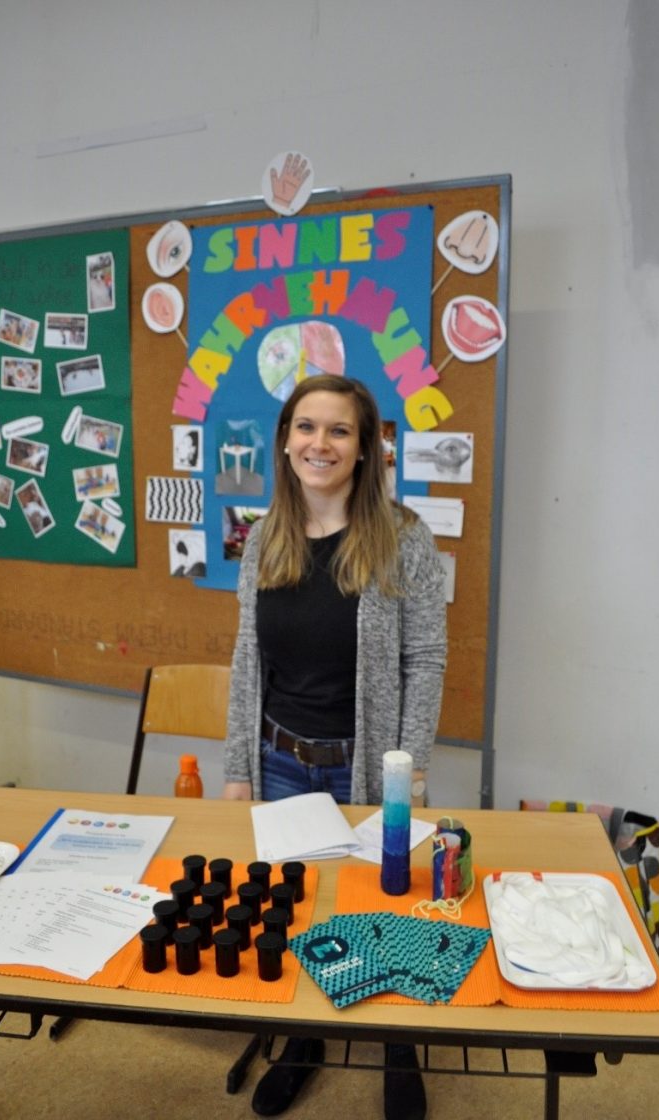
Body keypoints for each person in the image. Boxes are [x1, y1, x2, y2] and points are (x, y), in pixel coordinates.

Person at [223, 374, 447, 1120]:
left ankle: (398, 1047)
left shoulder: (405, 539)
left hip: (368, 763)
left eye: (339, 430)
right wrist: (237, 768)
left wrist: (410, 771)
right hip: (280, 760)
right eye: (307, 427)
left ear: (364, 447)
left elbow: (426, 660)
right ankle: (303, 1041)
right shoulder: (264, 537)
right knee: (298, 910)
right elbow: (247, 657)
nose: (320, 443)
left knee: (382, 907)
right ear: (286, 440)